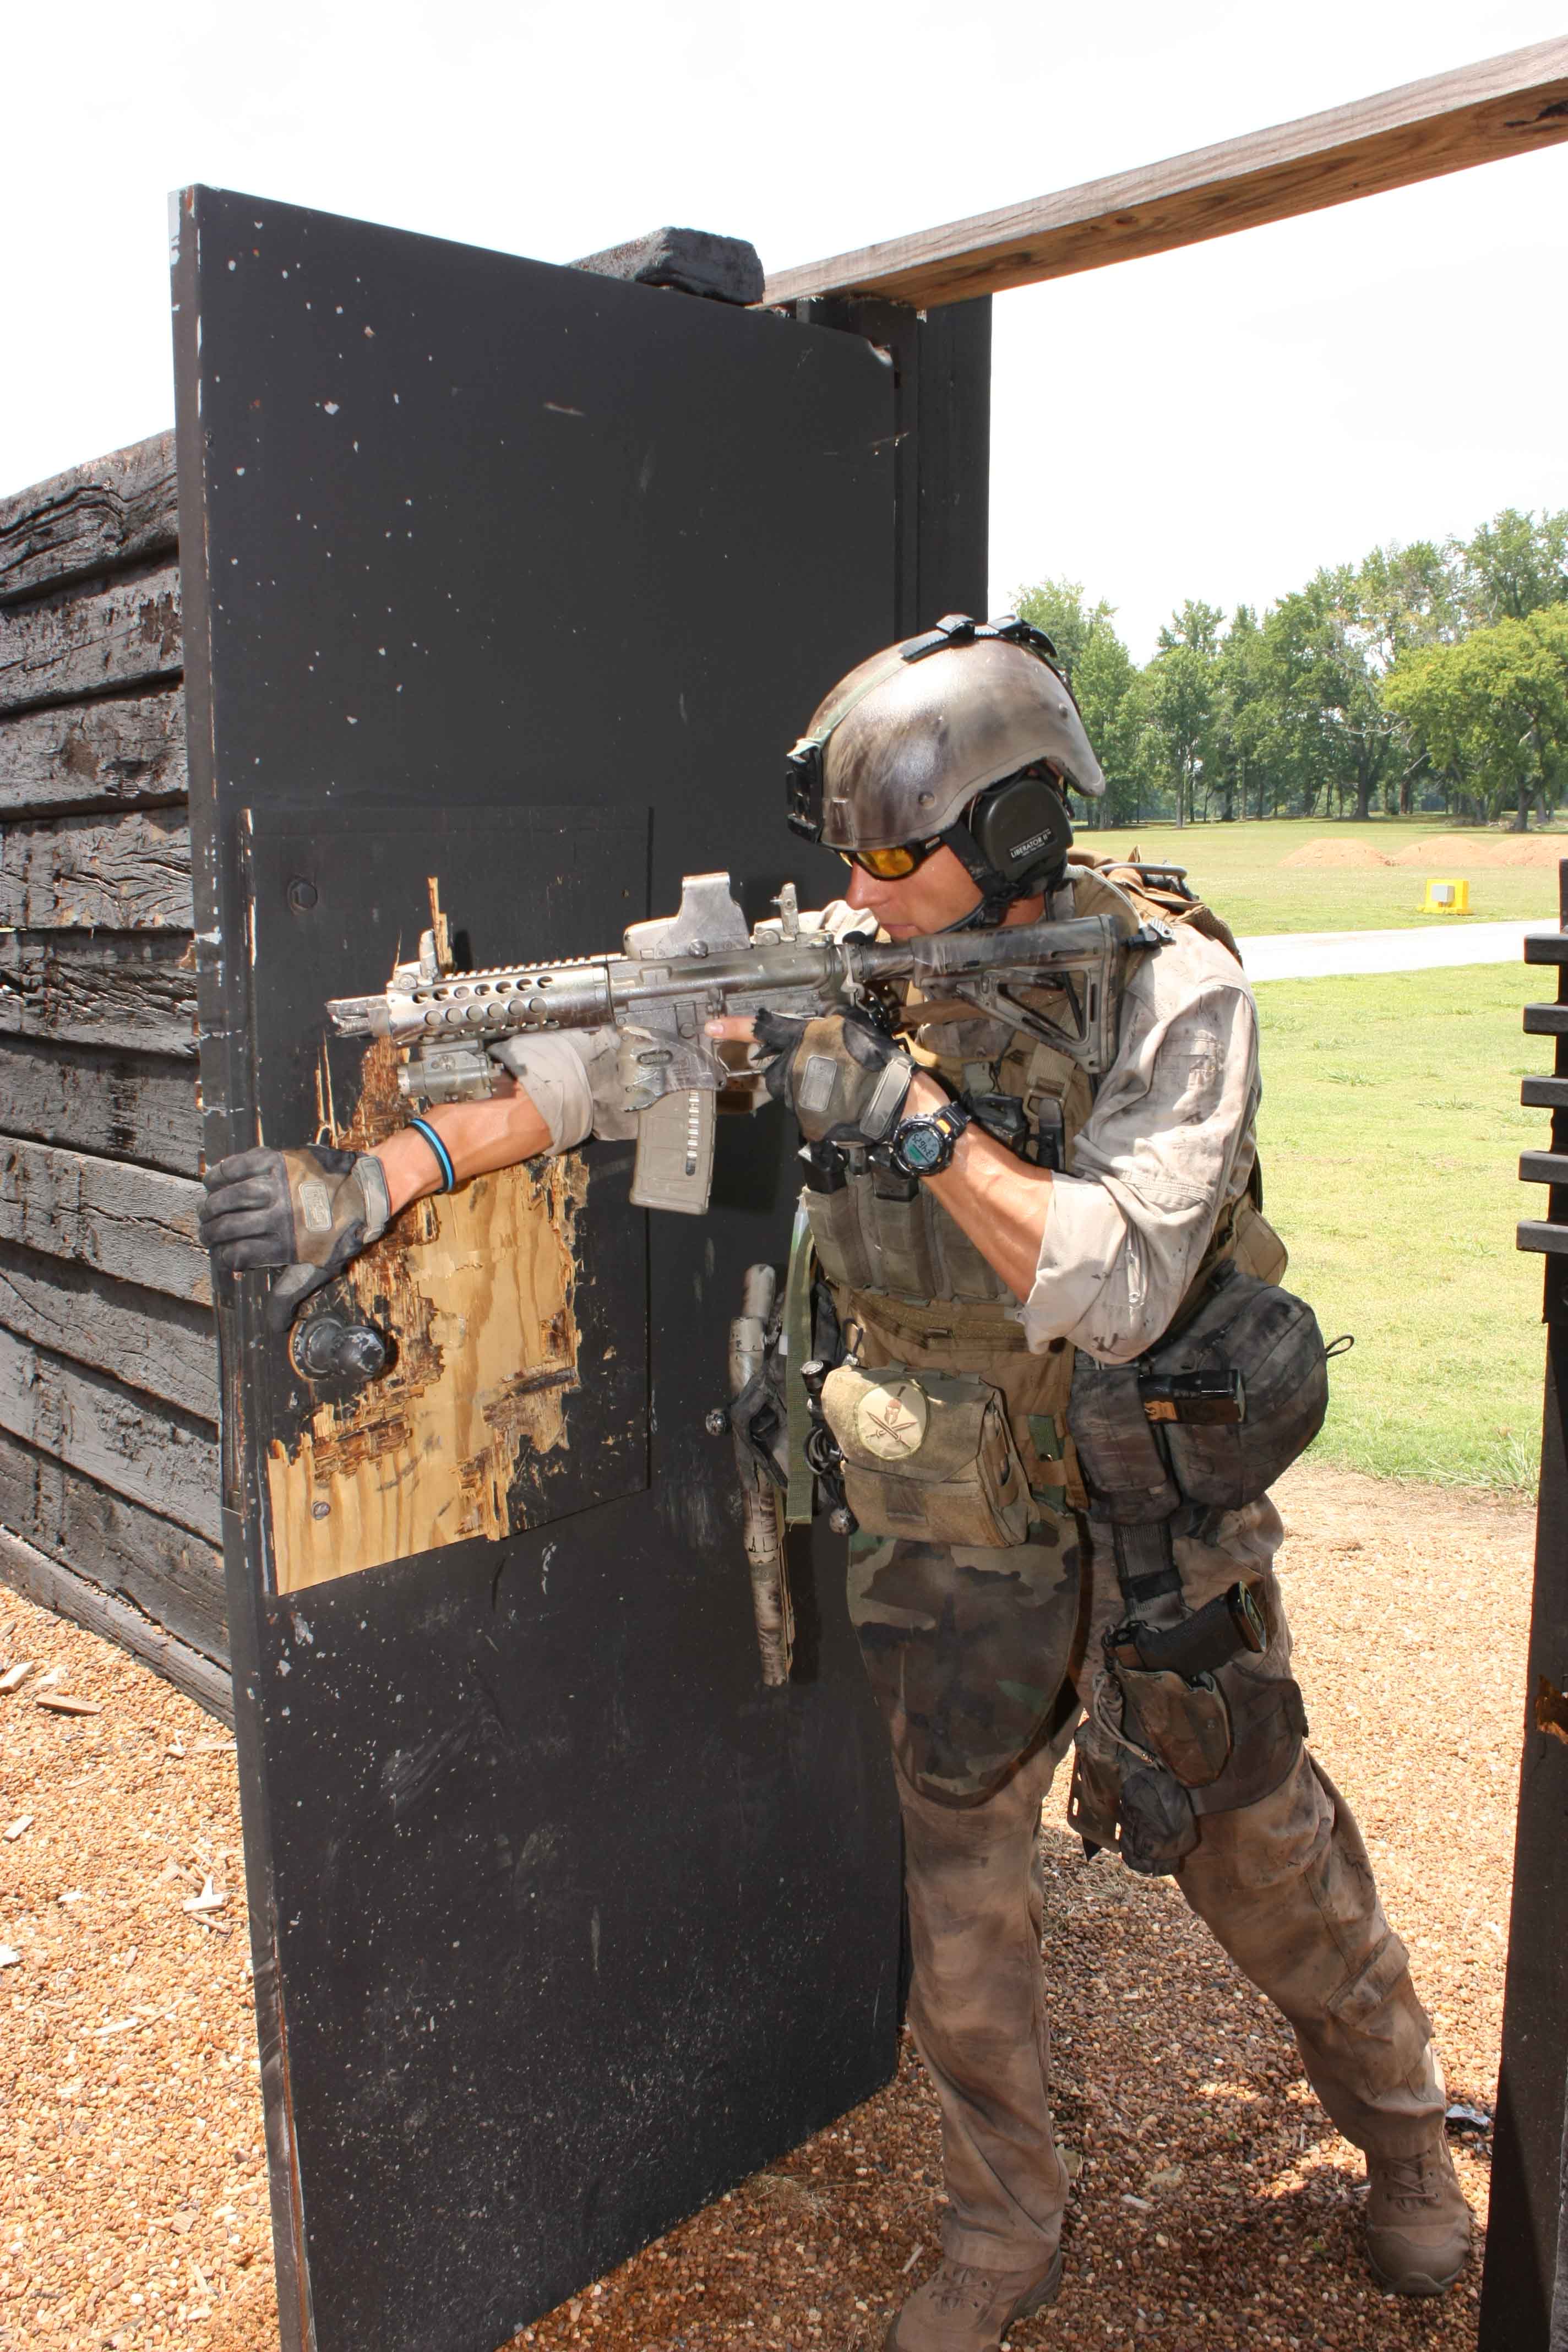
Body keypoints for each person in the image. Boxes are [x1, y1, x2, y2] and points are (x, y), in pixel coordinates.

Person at [201, 616, 1471, 2352]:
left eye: (891, 853)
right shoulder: (857, 960)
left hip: (1148, 1503)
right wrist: (385, 1178)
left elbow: (1110, 1276)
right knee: (963, 1898)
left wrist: (911, 1114)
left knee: (1259, 1845)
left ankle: (1403, 2133)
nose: (858, 889)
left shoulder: (1175, 988)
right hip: (949, 1518)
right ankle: (1002, 2222)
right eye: (851, 855)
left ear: (1013, 838)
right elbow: (608, 1061)